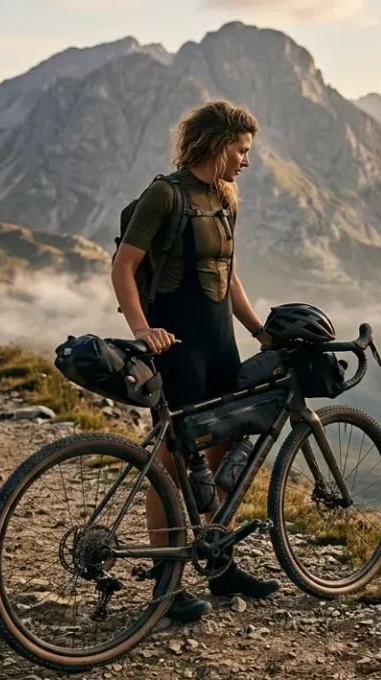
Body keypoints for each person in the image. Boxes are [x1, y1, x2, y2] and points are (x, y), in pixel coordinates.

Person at [114, 100, 277, 623]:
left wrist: (258, 330)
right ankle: (165, 587)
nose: (246, 161)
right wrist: (142, 331)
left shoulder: (226, 197)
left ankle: (219, 562)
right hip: (174, 345)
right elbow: (123, 268)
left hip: (220, 342)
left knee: (224, 447)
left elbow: (228, 275)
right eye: (242, 150)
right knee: (171, 459)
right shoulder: (165, 194)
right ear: (216, 144)